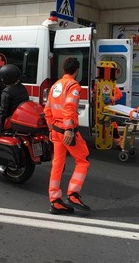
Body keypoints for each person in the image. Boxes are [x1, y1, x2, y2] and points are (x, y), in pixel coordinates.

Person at [44, 57, 90, 215]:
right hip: (66, 130)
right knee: (83, 160)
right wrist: (69, 129)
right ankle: (73, 194)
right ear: (76, 71)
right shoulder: (73, 85)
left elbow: (47, 109)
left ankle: (55, 200)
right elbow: (70, 107)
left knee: (57, 165)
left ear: (63, 69)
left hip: (56, 130)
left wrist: (50, 129)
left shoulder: (55, 85)